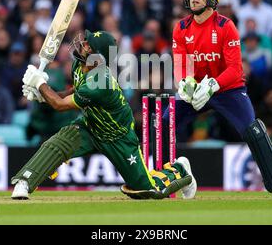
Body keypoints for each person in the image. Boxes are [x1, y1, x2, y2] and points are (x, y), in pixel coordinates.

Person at [12, 30, 196, 200]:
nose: (83, 44)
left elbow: (59, 106)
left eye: (88, 45)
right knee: (58, 144)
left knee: (148, 190)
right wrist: (42, 95)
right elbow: (72, 92)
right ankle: (24, 182)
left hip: (118, 137)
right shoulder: (80, 63)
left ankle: (180, 169)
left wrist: (40, 84)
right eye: (86, 41)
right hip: (90, 125)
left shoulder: (100, 83)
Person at [168, 0, 272, 197]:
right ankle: (174, 175)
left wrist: (214, 85)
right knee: (161, 124)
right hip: (197, 89)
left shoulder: (226, 26)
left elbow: (236, 69)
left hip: (227, 89)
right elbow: (180, 65)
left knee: (252, 130)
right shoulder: (181, 27)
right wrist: (184, 83)